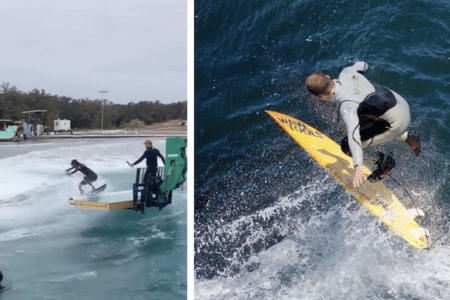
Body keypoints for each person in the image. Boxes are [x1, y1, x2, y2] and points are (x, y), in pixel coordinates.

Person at [305, 61, 421, 188]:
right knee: (364, 111)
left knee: (347, 146)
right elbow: (363, 64)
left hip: (398, 122)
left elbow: (354, 136)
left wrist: (358, 165)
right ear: (328, 77)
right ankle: (407, 136)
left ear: (320, 97)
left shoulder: (347, 106)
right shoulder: (346, 73)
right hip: (401, 104)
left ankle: (384, 162)